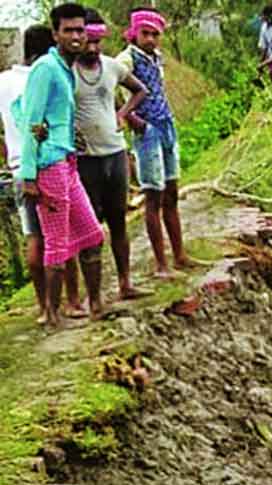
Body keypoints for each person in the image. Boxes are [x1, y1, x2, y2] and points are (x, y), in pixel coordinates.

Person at [16, 3, 106, 327]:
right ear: (55, 34)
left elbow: (55, 119)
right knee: (57, 244)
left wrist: (69, 136)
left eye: (80, 29)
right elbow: (31, 121)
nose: (76, 36)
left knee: (93, 235)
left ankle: (96, 305)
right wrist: (28, 176)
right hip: (48, 167)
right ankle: (52, 315)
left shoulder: (65, 68)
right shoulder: (45, 68)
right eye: (68, 30)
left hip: (66, 162)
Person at [0, 24, 86, 325]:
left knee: (35, 238)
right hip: (46, 164)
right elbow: (39, 127)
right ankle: (72, 301)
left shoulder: (4, 82)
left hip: (17, 166)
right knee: (63, 235)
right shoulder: (48, 73)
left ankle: (43, 306)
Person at [75, 9, 150, 301]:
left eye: (98, 42)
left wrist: (122, 114)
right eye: (88, 41)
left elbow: (139, 90)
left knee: (118, 221)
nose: (93, 48)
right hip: (84, 161)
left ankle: (125, 283)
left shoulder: (111, 67)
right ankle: (94, 300)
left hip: (115, 154)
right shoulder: (66, 73)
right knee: (90, 230)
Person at [117, 7, 195, 280]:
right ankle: (161, 264)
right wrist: (132, 119)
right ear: (134, 33)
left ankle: (180, 254)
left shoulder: (155, 58)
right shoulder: (126, 59)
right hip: (147, 131)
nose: (150, 39)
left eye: (155, 34)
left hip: (166, 125)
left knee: (172, 190)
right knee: (153, 196)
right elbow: (113, 89)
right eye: (145, 33)